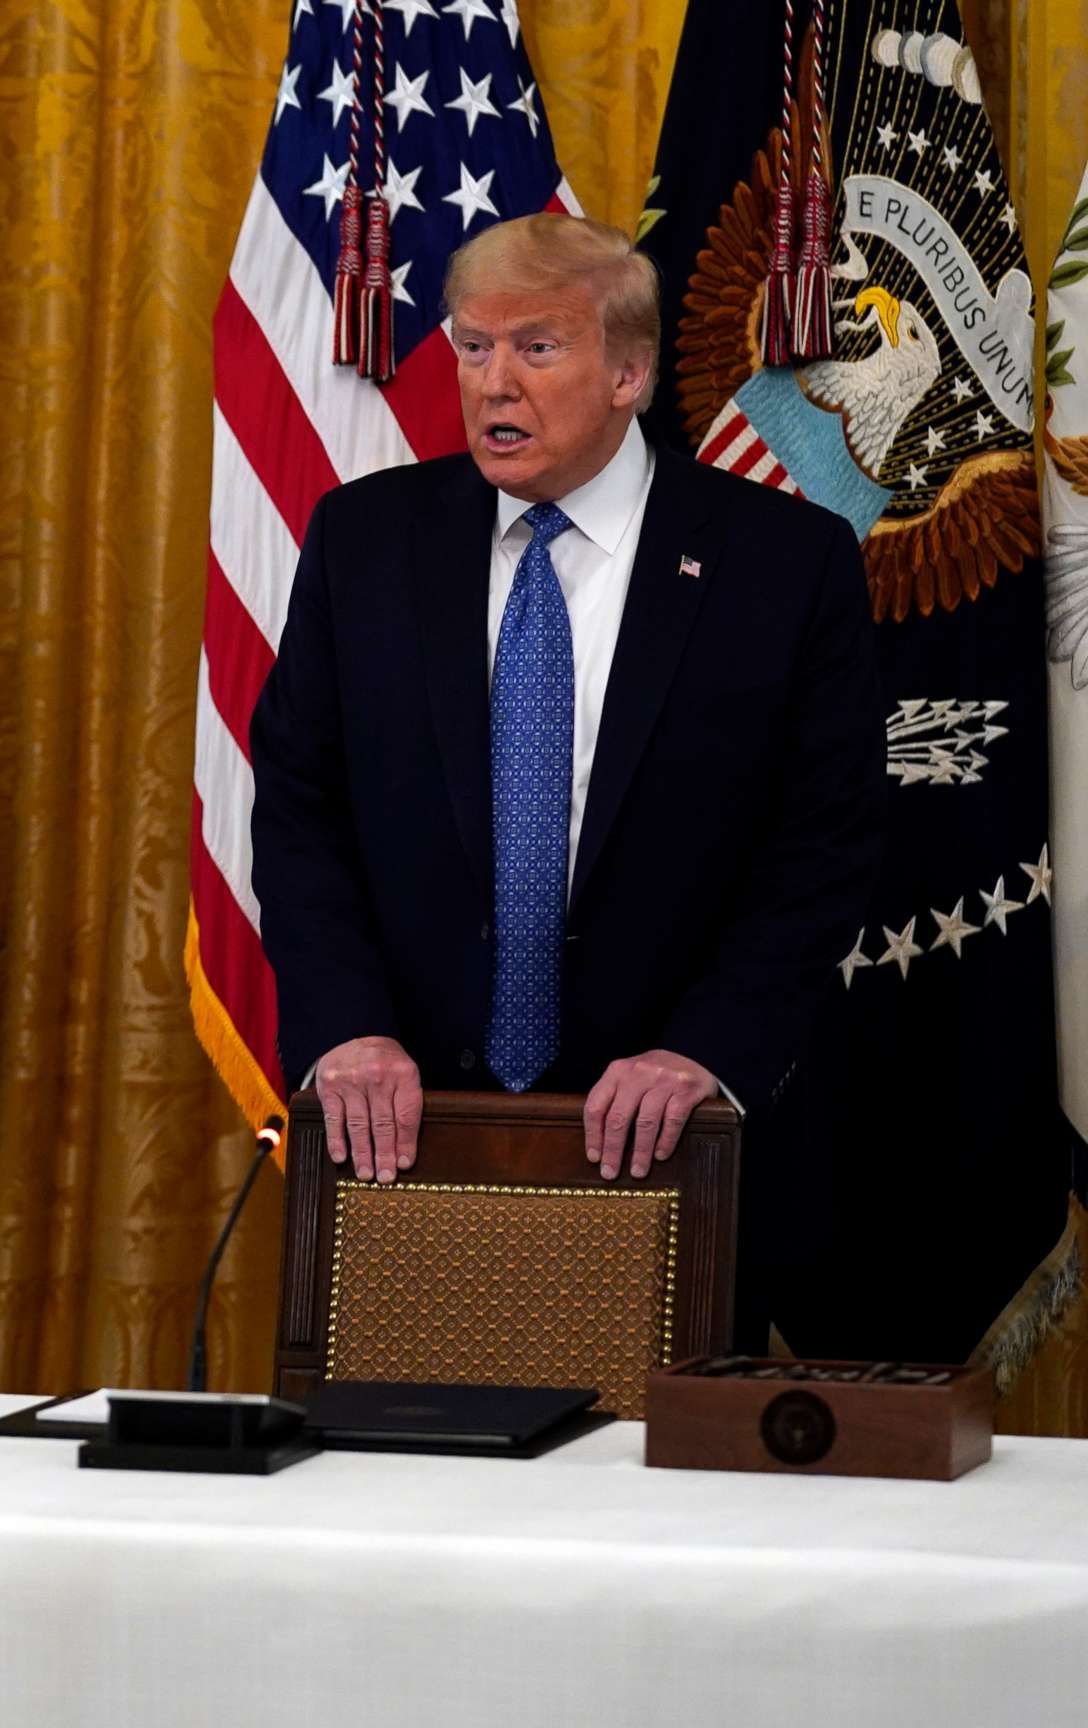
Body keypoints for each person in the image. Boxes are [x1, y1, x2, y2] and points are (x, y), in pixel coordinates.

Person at [249, 213, 884, 1234]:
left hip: (673, 1136)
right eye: (472, 346)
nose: (494, 382)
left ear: (628, 373)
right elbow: (298, 809)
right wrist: (347, 1028)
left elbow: (824, 845)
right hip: (404, 1134)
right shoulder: (363, 543)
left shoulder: (785, 565)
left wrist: (709, 1050)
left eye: (537, 347)